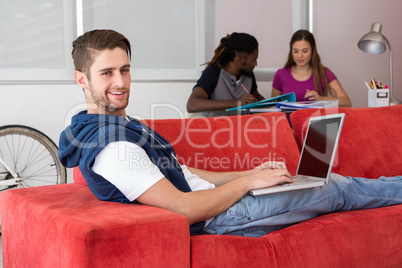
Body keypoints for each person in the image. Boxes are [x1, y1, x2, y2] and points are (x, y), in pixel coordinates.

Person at [59, 29, 402, 237]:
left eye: (125, 69)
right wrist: (248, 183)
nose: (120, 82)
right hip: (222, 216)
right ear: (82, 79)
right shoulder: (112, 148)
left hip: (222, 202)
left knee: (318, 181)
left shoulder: (119, 125)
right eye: (107, 73)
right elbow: (185, 209)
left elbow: (184, 174)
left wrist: (250, 173)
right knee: (335, 187)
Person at [186, 32, 265, 117]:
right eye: (254, 59)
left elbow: (257, 96)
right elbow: (192, 105)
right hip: (217, 127)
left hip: (242, 127)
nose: (256, 63)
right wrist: (235, 103)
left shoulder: (248, 74)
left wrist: (260, 102)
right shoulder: (213, 73)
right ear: (240, 60)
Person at [272, 30, 352, 107]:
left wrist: (321, 99)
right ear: (291, 51)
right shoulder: (280, 74)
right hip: (287, 120)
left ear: (312, 50)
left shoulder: (323, 73)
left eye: (305, 51)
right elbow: (272, 106)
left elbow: (347, 102)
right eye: (296, 51)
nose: (300, 56)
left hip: (314, 120)